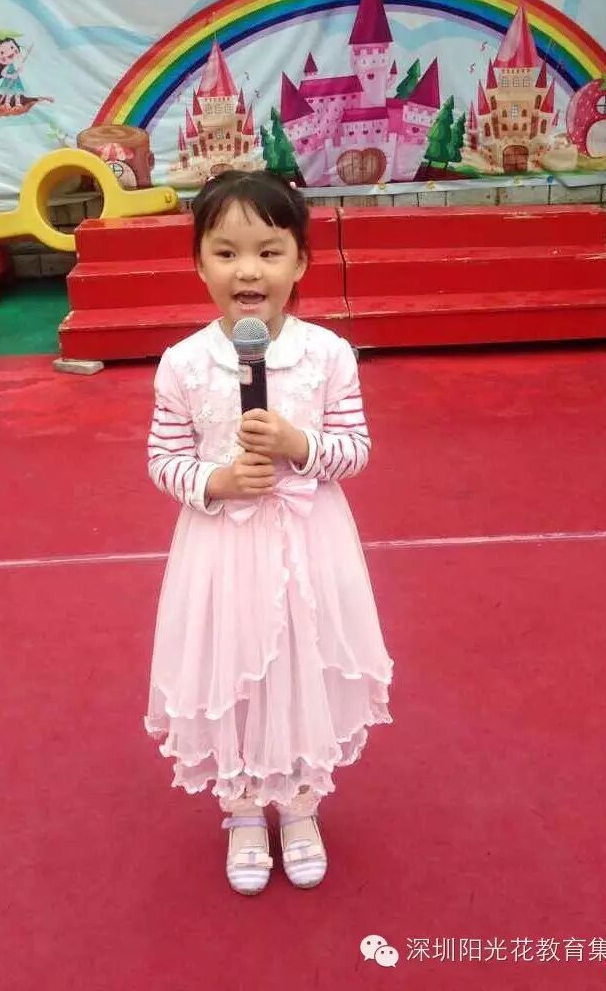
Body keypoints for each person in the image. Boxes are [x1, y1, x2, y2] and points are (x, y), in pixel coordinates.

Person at [144, 170, 393, 895]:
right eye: (226, 253)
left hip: (311, 545)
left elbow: (354, 450)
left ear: (301, 261)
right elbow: (163, 458)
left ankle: (302, 806)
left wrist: (298, 444)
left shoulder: (328, 354)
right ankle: (245, 810)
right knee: (235, 668)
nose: (247, 271)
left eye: (268, 251)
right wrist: (217, 481)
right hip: (223, 550)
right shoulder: (184, 363)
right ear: (199, 263)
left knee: (302, 665)